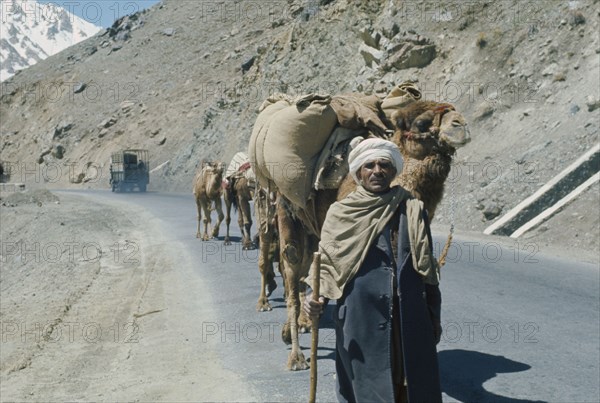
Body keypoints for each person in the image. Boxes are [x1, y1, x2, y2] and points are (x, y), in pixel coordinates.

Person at [303, 137, 442, 403]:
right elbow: (327, 265)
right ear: (358, 172)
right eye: (369, 165)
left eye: (383, 165)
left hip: (407, 318)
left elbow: (428, 270)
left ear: (393, 171)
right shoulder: (341, 214)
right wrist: (313, 297)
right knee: (366, 390)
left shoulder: (411, 208)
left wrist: (433, 315)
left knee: (410, 389)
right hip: (360, 321)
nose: (376, 171)